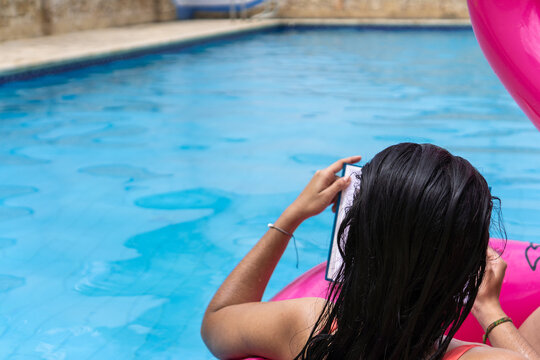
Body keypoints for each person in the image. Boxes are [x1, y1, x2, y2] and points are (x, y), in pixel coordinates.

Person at [201, 143, 540, 360]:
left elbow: (217, 323)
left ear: (352, 242)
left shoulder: (306, 329)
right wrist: (490, 311)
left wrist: (292, 217)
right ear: (465, 267)